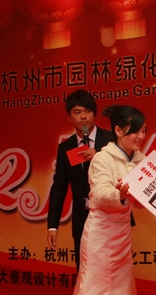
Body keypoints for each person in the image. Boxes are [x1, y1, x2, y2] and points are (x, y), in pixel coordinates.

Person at [45, 105, 147, 295]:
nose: (140, 136)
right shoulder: (103, 158)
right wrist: (121, 194)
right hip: (101, 238)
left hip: (122, 239)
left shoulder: (140, 160)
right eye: (135, 131)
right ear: (118, 131)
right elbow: (99, 194)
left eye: (143, 131)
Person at [47, 89, 115, 269]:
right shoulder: (66, 148)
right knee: (84, 270)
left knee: (110, 270)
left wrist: (99, 155)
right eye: (77, 112)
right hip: (82, 219)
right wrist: (52, 226)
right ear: (69, 117)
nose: (83, 117)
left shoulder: (111, 140)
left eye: (88, 111)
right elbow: (59, 188)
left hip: (111, 217)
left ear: (94, 113)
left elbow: (126, 169)